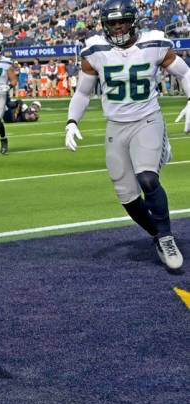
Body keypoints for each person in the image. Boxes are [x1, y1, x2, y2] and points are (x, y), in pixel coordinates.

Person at [65, 0, 190, 271]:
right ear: (104, 25)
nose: (118, 27)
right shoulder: (95, 50)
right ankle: (157, 236)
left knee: (147, 177)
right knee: (127, 197)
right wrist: (72, 121)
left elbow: (185, 72)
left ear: (133, 20)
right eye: (112, 23)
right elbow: (83, 92)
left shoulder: (153, 43)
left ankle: (167, 236)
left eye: (122, 21)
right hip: (115, 125)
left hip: (147, 119)